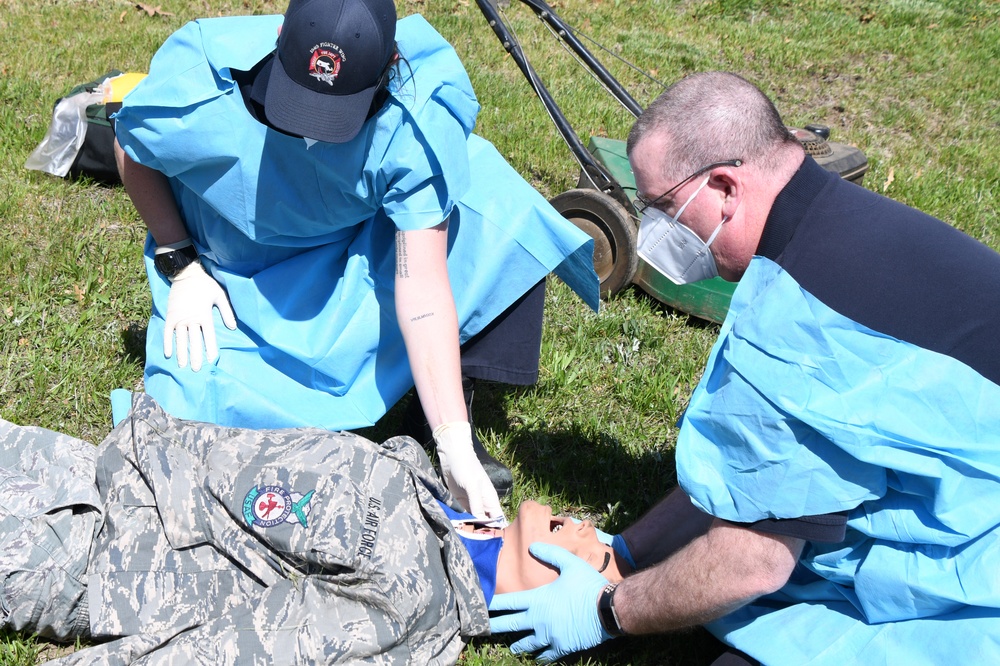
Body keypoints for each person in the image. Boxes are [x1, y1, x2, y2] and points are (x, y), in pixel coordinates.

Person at [488, 71, 1000, 664]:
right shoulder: (838, 217)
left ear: (726, 188)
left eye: (661, 208)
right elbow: (758, 470)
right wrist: (628, 552)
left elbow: (752, 563)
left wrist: (607, 611)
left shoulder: (792, 330)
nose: (654, 232)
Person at [112, 0, 598, 520]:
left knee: (498, 209)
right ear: (278, 36)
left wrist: (452, 438)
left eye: (337, 115)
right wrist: (179, 261)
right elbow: (132, 145)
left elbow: (426, 290)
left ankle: (446, 413)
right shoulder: (204, 77)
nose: (313, 133)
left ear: (392, 65)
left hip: (352, 247)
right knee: (186, 427)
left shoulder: (414, 116)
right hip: (235, 267)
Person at [0, 393, 627, 665]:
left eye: (596, 557)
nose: (592, 527)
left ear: (551, 596)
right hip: (83, 464)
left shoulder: (414, 600)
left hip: (72, 541)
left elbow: (246, 651)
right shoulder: (440, 508)